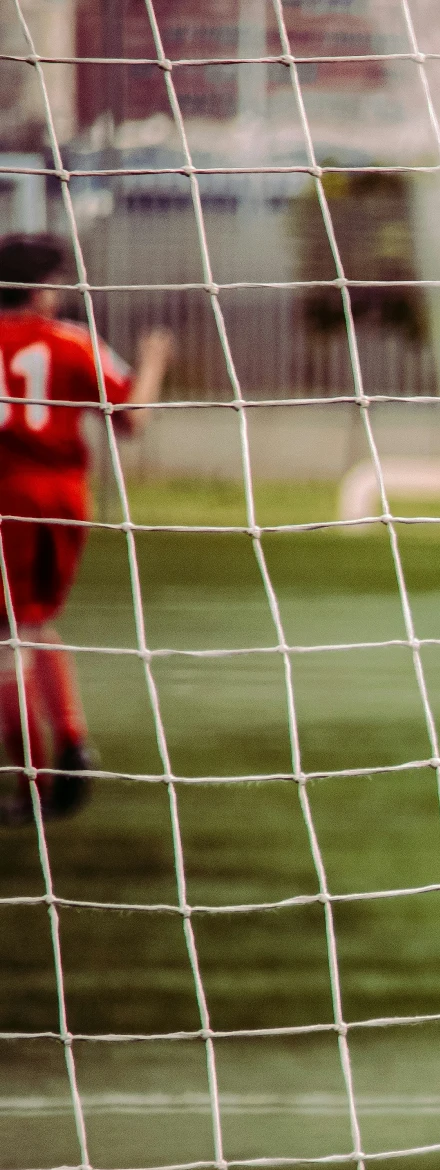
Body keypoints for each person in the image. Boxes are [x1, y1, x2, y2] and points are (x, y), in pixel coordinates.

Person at [0, 233, 172, 824]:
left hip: (5, 501)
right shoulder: (74, 342)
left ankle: (32, 781)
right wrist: (152, 362)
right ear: (44, 291)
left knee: (5, 637)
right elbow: (133, 419)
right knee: (36, 620)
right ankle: (72, 744)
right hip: (66, 502)